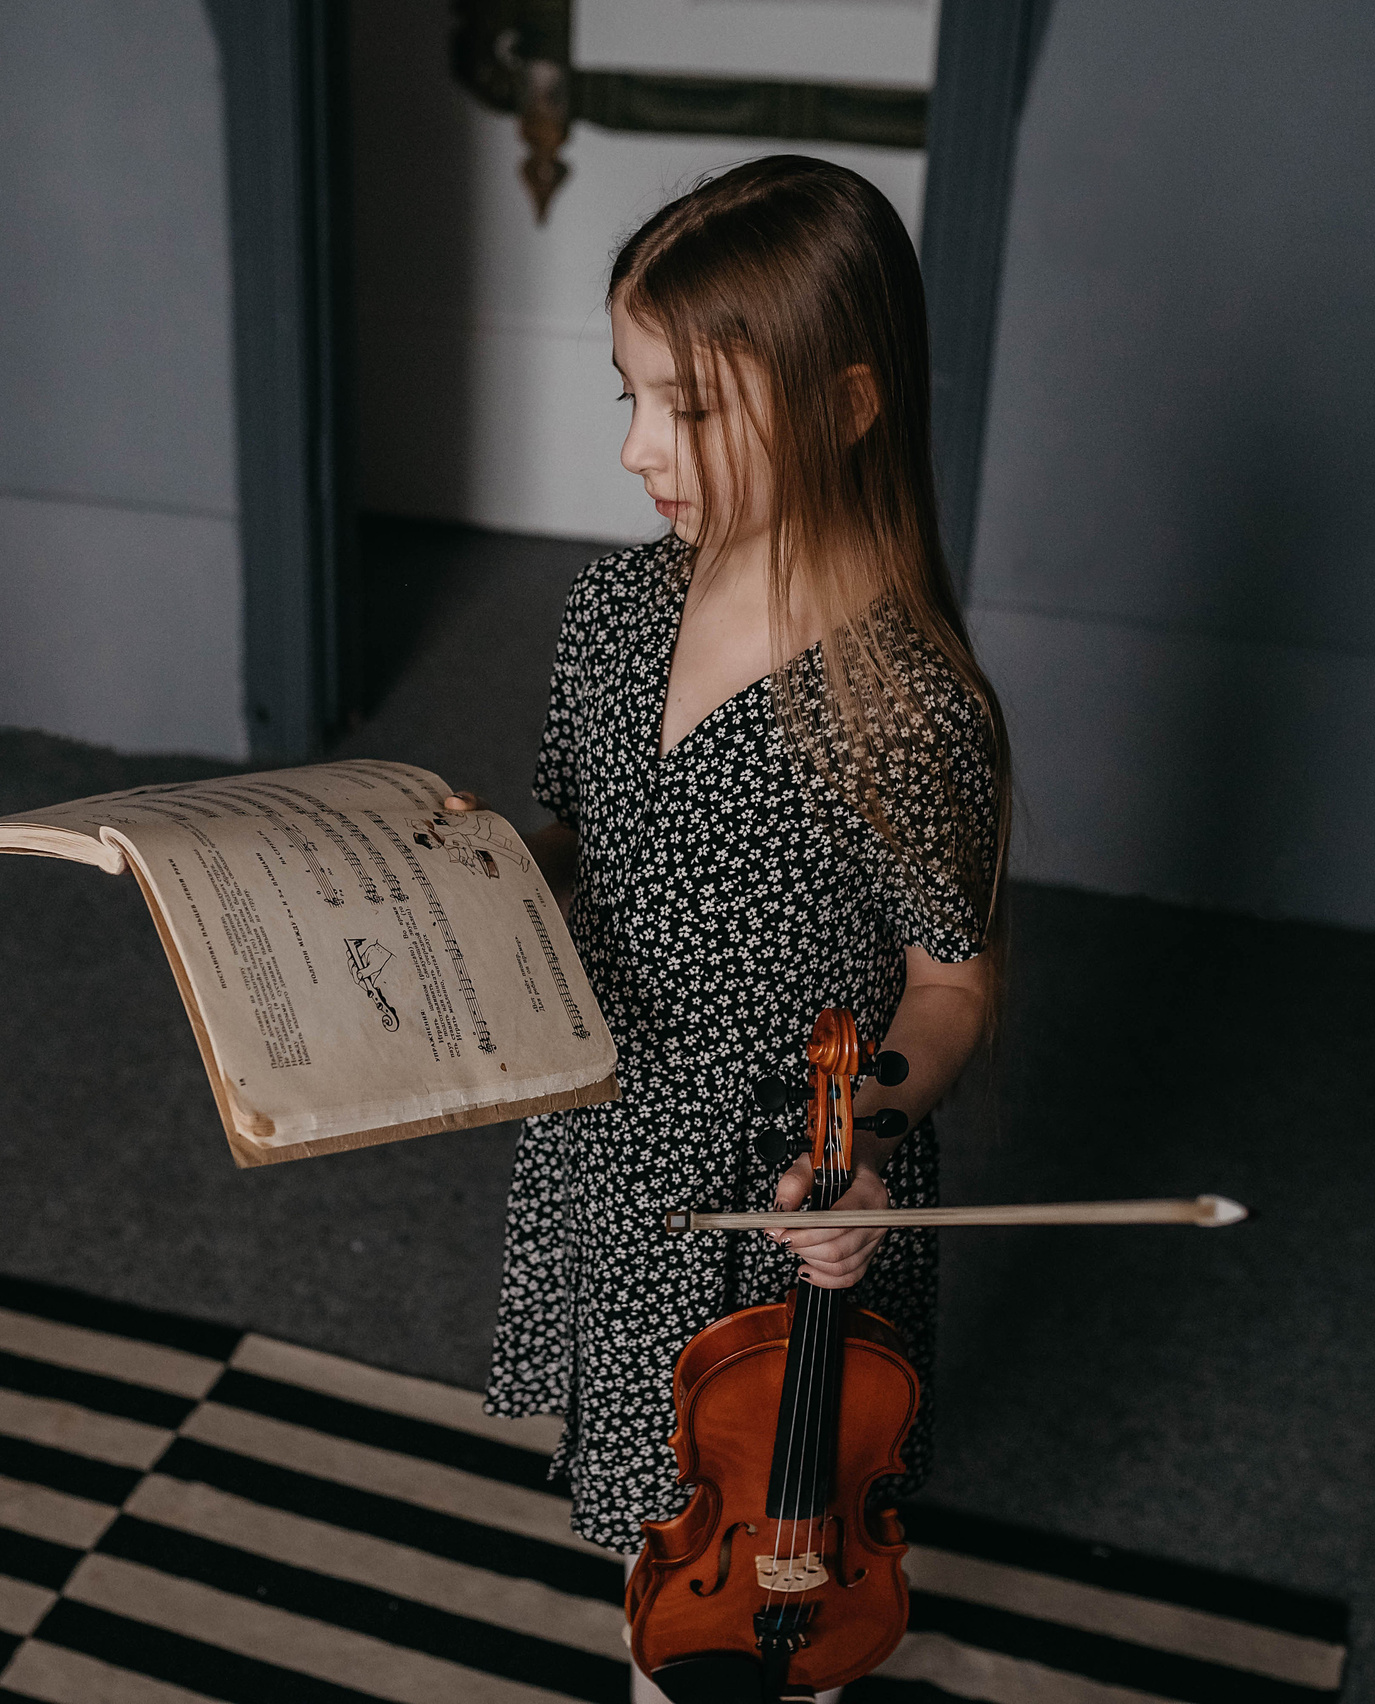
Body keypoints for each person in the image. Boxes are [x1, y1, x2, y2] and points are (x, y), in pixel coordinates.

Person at [442, 155, 1010, 1702]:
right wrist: (487, 866)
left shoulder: (903, 706)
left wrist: (867, 1136)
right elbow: (586, 827)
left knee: (785, 1542)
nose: (637, 449)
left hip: (782, 1184)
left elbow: (953, 983)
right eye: (625, 394)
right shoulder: (613, 612)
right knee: (657, 1506)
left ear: (845, 404)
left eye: (690, 411)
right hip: (612, 1134)